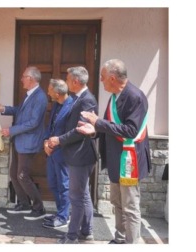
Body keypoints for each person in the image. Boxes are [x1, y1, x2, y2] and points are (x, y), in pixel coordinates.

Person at [76, 59, 151, 244]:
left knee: (130, 207)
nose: (101, 81)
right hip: (116, 158)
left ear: (111, 78)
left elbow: (130, 131)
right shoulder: (115, 96)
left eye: (102, 78)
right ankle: (119, 239)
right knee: (117, 203)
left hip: (129, 160)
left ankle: (131, 244)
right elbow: (110, 127)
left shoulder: (135, 97)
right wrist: (94, 130)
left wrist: (98, 123)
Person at [47, 66, 98, 243]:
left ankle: (72, 236)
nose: (66, 82)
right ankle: (86, 231)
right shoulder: (79, 98)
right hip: (77, 155)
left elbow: (80, 131)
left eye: (68, 79)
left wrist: (59, 140)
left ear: (75, 81)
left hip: (81, 156)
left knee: (76, 197)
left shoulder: (86, 100)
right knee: (83, 195)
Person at [0, 66, 48, 220]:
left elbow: (33, 123)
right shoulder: (29, 95)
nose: (21, 79)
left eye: (24, 76)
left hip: (28, 142)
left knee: (23, 175)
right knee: (14, 174)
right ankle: (24, 204)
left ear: (31, 79)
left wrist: (10, 130)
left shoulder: (40, 97)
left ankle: (39, 208)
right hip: (20, 141)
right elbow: (19, 111)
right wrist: (3, 109)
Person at [41, 79, 73, 229]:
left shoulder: (72, 106)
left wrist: (57, 143)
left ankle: (63, 216)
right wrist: (46, 142)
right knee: (53, 184)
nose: (48, 92)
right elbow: (50, 126)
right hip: (51, 153)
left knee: (64, 186)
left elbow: (71, 133)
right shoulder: (55, 105)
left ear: (57, 92)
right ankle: (61, 212)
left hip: (63, 153)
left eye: (49, 90)